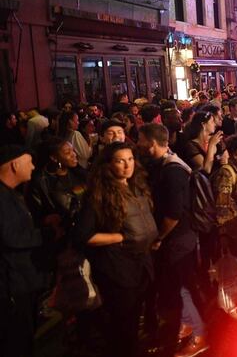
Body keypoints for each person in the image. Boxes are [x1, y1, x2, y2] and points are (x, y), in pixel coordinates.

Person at [73, 142, 157, 357]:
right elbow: (83, 236)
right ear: (108, 165)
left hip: (141, 264)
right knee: (122, 323)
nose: (127, 165)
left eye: (130, 159)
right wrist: (119, 236)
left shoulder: (136, 187)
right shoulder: (97, 196)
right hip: (118, 269)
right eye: (120, 160)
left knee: (134, 317)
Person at [137, 124, 207, 357]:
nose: (138, 144)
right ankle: (187, 327)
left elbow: (174, 215)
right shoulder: (163, 165)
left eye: (141, 140)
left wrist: (159, 238)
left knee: (183, 289)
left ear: (152, 143)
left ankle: (200, 335)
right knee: (178, 289)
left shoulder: (172, 170)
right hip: (178, 240)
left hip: (179, 241)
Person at [0, 145, 60, 356]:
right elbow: (12, 236)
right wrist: (48, 233)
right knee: (18, 340)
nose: (33, 166)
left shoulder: (11, 193)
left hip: (22, 281)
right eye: (29, 162)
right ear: (15, 164)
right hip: (14, 286)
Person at [27, 138, 87, 231]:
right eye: (68, 152)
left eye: (73, 150)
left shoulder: (79, 173)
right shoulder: (40, 181)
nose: (74, 155)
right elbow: (36, 215)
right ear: (54, 158)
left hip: (86, 225)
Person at [180, 110, 224, 175]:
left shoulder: (215, 139)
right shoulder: (191, 146)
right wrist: (211, 145)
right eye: (212, 121)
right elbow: (206, 170)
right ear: (203, 124)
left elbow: (225, 158)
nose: (215, 124)